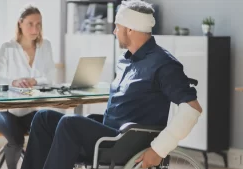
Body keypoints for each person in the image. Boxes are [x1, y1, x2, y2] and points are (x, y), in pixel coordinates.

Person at [21, 1, 203, 169]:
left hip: (127, 143)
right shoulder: (126, 60)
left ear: (131, 29)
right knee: (43, 118)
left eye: (117, 26)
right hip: (111, 134)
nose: (114, 31)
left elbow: (192, 110)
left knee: (70, 123)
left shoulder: (163, 64)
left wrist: (158, 150)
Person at [0, 4, 55, 169]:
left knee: (49, 129)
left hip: (31, 110)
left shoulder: (45, 46)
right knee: (17, 139)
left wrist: (34, 80)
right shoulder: (7, 47)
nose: (35, 29)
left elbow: (50, 77)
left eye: (38, 24)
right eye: (30, 24)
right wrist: (13, 82)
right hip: (4, 110)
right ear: (20, 23)